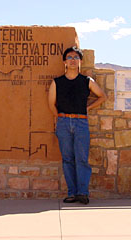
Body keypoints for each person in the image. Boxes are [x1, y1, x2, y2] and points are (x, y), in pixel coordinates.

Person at [48, 46, 106, 204]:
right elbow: (51, 103)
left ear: (80, 61)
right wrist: (60, 118)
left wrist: (88, 108)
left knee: (81, 159)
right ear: (64, 61)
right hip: (63, 123)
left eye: (76, 57)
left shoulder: (86, 81)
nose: (73, 60)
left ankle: (83, 193)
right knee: (67, 159)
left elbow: (102, 96)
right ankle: (72, 193)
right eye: (69, 57)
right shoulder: (57, 82)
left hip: (81, 122)